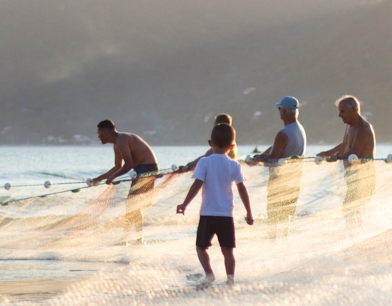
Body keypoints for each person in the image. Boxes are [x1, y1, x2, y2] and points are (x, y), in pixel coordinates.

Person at [176, 123, 254, 288]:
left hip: (208, 214)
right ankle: (230, 280)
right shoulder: (235, 165)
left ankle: (209, 274)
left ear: (210, 143)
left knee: (200, 247)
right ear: (232, 146)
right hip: (226, 215)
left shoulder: (204, 162)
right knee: (228, 251)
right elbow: (242, 189)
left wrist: (184, 204)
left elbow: (196, 185)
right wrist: (249, 212)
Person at [90, 120, 159, 245]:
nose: (98, 136)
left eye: (99, 133)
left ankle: (129, 239)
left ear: (105, 132)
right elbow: (117, 167)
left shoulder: (122, 139)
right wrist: (99, 178)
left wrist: (112, 178)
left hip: (147, 168)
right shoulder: (116, 145)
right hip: (141, 169)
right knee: (133, 205)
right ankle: (135, 239)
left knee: (131, 203)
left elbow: (128, 165)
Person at [249, 97, 307, 240]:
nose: (279, 112)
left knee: (274, 217)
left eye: (279, 109)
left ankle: (273, 244)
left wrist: (258, 159)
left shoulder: (283, 133)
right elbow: (276, 147)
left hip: (279, 182)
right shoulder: (300, 129)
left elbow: (273, 158)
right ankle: (284, 242)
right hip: (295, 180)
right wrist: (262, 155)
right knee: (286, 216)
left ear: (284, 111)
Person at [317, 95, 376, 232]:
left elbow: (352, 153)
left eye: (342, 111)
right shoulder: (350, 126)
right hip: (352, 176)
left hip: (364, 178)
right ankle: (354, 236)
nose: (339, 115)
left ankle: (358, 238)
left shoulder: (363, 128)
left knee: (351, 210)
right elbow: (345, 145)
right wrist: (326, 153)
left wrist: (337, 156)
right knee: (350, 210)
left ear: (354, 109)